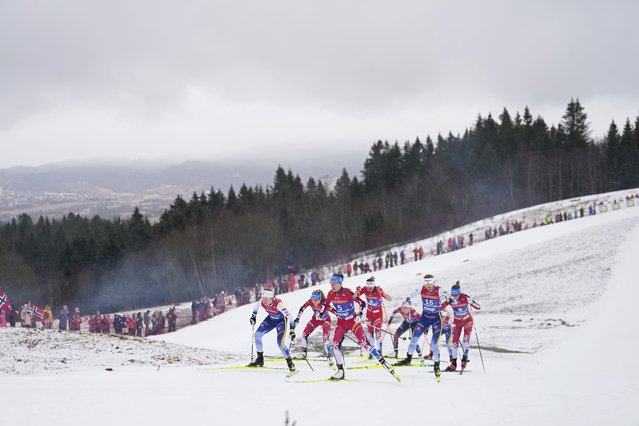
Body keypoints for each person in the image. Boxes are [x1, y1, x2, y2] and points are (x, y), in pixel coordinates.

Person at [320, 273, 396, 380]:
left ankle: (383, 362)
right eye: (331, 283)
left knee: (365, 344)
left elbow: (363, 303)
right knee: (336, 345)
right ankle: (340, 371)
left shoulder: (348, 293)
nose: (332, 285)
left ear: (340, 283)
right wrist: (322, 313)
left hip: (353, 321)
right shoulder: (331, 294)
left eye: (334, 283)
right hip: (341, 323)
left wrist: (360, 315)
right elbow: (326, 305)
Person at [395, 274, 452, 380]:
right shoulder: (422, 289)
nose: (428, 285)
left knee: (434, 345)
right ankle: (408, 359)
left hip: (436, 319)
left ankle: (437, 366)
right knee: (414, 340)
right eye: (426, 283)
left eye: (430, 283)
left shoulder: (439, 290)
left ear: (434, 282)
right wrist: (408, 300)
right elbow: (409, 295)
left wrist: (446, 299)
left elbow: (450, 297)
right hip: (424, 318)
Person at [248, 289, 297, 376]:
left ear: (271, 298)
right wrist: (253, 316)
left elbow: (290, 317)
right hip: (270, 320)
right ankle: (260, 359)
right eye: (263, 298)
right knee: (257, 335)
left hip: (281, 322)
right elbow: (256, 306)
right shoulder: (262, 302)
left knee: (280, 344)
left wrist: (292, 330)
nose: (264, 301)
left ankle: (290, 364)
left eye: (266, 299)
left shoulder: (278, 304)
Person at [441, 282, 481, 371]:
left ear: (459, 293)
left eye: (456, 294)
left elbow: (478, 307)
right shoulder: (450, 299)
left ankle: (464, 359)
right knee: (454, 343)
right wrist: (442, 301)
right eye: (452, 294)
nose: (454, 296)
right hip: (457, 322)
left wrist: (472, 302)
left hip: (467, 321)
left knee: (465, 341)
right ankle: (453, 364)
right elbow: (439, 308)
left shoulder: (465, 297)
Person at [294, 289, 333, 364]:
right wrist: (297, 318)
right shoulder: (310, 301)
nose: (314, 302)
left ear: (320, 299)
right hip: (315, 320)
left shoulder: (325, 304)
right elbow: (302, 308)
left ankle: (329, 356)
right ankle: (304, 353)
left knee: (325, 338)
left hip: (326, 321)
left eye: (316, 300)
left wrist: (341, 321)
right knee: (304, 334)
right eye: (312, 299)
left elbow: (334, 311)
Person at [356, 276, 392, 356]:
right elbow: (355, 297)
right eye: (368, 287)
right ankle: (372, 351)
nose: (369, 289)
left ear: (374, 285)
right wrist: (357, 291)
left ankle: (379, 352)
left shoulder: (378, 290)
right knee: (369, 333)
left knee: (377, 334)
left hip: (378, 315)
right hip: (369, 315)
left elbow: (390, 298)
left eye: (371, 287)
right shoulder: (365, 289)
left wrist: (382, 293)